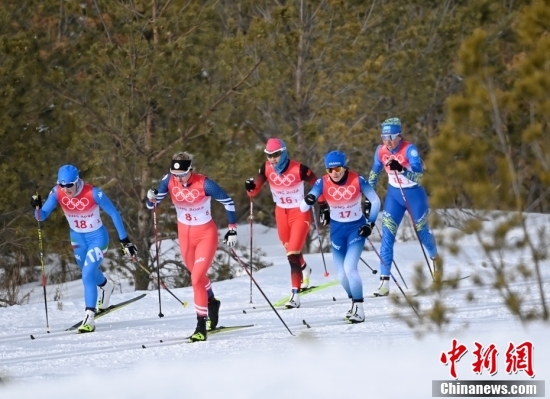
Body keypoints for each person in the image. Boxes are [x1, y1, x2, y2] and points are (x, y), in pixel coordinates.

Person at [31, 165, 137, 333]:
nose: (66, 189)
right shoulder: (57, 192)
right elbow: (41, 217)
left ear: (77, 181)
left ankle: (89, 317)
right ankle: (106, 286)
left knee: (87, 274)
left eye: (69, 185)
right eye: (62, 185)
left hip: (97, 238)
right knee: (88, 271)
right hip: (78, 238)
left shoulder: (93, 193)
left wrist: (125, 240)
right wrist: (36, 207)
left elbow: (114, 214)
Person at [146, 151, 237, 342]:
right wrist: (151, 198)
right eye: (175, 174)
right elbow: (152, 204)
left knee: (196, 278)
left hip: (205, 234)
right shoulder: (169, 180)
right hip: (185, 235)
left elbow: (228, 202)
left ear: (190, 170)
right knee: (197, 275)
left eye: (182, 174)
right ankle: (212, 302)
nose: (178, 178)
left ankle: (200, 326)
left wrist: (232, 228)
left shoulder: (205, 183)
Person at [299, 151, 381, 323]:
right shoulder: (322, 182)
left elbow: (375, 201)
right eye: (330, 169)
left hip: (356, 229)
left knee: (350, 268)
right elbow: (303, 208)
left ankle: (359, 308)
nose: (334, 173)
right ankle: (354, 302)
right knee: (342, 275)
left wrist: (370, 224)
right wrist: (310, 199)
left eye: (337, 168)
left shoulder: (357, 180)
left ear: (344, 167)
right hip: (337, 231)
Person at [244, 138, 320, 309]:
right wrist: (249, 186)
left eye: (276, 155)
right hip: (281, 213)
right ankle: (305, 269)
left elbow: (318, 184)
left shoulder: (299, 169)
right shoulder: (265, 168)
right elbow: (253, 191)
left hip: (299, 211)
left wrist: (321, 204)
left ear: (284, 152)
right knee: (289, 249)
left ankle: (295, 294)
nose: (273, 159)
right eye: (269, 156)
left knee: (292, 253)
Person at [367, 117, 438, 297]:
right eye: (384, 137)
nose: (387, 141)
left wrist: (402, 169)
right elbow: (374, 173)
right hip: (394, 196)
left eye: (391, 136)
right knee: (387, 237)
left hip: (414, 196)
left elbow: (421, 178)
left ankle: (435, 260)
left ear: (399, 136)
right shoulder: (380, 151)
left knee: (423, 233)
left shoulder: (409, 149)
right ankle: (384, 282)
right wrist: (368, 193)